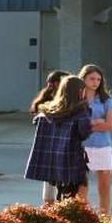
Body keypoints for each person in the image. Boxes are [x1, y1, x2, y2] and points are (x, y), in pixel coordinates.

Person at [25, 75, 93, 202]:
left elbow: (37, 121)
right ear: (80, 91)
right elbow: (84, 133)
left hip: (51, 161)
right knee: (75, 197)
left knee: (60, 195)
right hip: (72, 161)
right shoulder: (80, 112)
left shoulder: (47, 112)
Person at [78, 64, 112, 214]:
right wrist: (95, 123)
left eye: (98, 79)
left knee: (105, 185)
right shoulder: (77, 99)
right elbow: (76, 125)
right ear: (84, 79)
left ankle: (105, 218)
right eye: (92, 78)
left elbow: (110, 125)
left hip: (102, 145)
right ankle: (83, 217)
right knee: (82, 185)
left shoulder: (106, 99)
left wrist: (87, 127)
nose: (95, 82)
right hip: (82, 146)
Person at [29, 70, 69, 204]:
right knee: (52, 179)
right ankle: (51, 206)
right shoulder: (50, 101)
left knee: (52, 179)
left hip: (51, 143)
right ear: (57, 83)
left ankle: (52, 205)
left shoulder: (58, 99)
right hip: (53, 143)